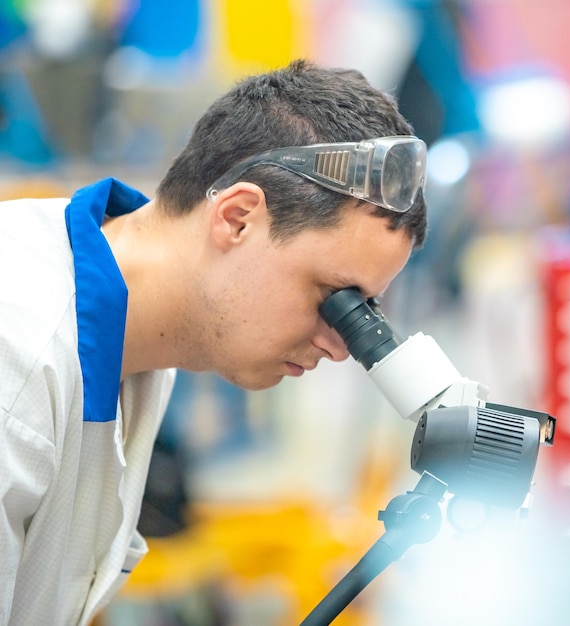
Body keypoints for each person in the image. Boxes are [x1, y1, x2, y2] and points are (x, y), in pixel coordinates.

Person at [0, 59, 427, 625]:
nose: (340, 344)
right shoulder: (18, 358)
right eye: (333, 296)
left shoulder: (135, 345)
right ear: (238, 217)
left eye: (359, 312)